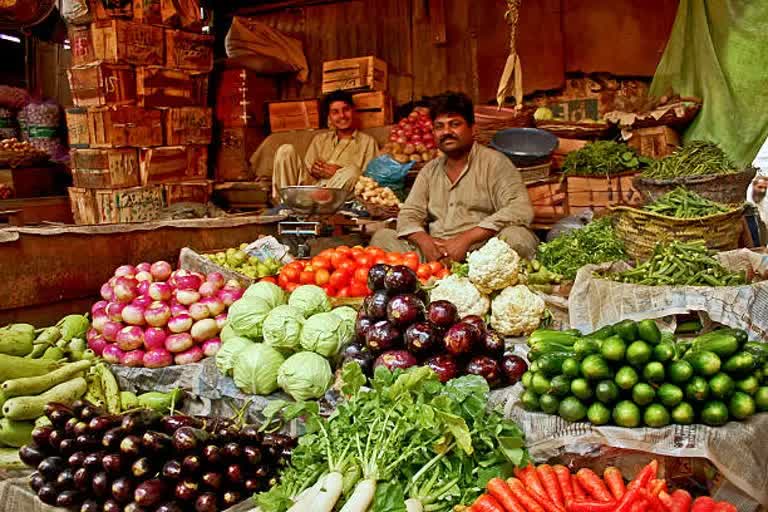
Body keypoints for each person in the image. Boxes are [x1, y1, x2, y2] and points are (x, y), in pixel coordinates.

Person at [371, 91, 539, 261]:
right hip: (435, 254)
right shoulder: (429, 171)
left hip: (482, 253)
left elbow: (519, 209)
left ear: (473, 129)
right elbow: (409, 214)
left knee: (518, 237)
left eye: (454, 124)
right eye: (439, 126)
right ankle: (426, 278)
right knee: (382, 237)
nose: (446, 132)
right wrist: (426, 242)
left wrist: (465, 239)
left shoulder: (494, 163)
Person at [271, 90, 379, 204]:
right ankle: (285, 206)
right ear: (329, 117)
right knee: (285, 150)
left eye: (346, 110)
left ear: (353, 111)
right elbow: (306, 172)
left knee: (353, 172)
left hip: (337, 196)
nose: (342, 116)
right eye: (335, 112)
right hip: (310, 191)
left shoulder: (368, 142)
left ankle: (318, 207)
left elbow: (371, 181)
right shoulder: (320, 139)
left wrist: (338, 172)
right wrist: (314, 171)